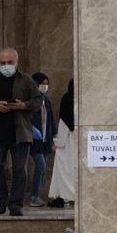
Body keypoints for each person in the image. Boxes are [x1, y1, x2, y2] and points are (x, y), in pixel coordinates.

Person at [0, 47, 43, 216]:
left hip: (19, 132)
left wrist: (24, 105)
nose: (6, 65)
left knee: (19, 169)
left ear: (16, 62)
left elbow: (38, 100)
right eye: (3, 63)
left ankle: (16, 204)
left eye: (10, 62)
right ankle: (0, 201)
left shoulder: (27, 80)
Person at [28, 72, 57, 207]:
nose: (45, 86)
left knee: (42, 169)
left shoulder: (47, 101)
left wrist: (54, 138)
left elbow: (51, 121)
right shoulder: (32, 99)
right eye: (42, 83)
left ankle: (37, 195)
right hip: (35, 138)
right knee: (40, 166)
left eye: (46, 84)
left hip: (46, 138)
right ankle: (34, 196)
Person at [47, 79, 77, 208]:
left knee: (64, 172)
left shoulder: (67, 98)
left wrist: (57, 143)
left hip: (67, 144)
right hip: (78, 142)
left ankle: (64, 197)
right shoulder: (84, 99)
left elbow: (64, 124)